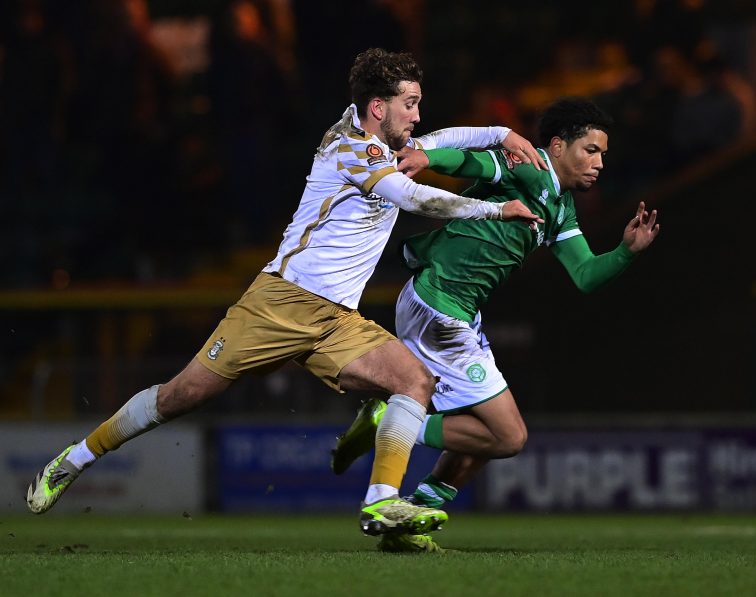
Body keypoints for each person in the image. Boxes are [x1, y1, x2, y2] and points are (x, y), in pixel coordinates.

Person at [26, 48, 546, 538]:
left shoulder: (381, 138)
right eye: (410, 105)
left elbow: (439, 140)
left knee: (415, 380)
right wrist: (495, 209)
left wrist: (500, 133)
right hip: (280, 303)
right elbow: (412, 197)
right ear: (378, 107)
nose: (416, 116)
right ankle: (73, 461)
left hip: (337, 320)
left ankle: (383, 502)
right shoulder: (352, 149)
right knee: (178, 397)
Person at [330, 97, 660, 552]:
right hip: (439, 304)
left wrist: (626, 252)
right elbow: (473, 163)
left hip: (460, 312)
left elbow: (584, 275)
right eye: (591, 150)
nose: (599, 162)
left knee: (482, 436)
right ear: (559, 146)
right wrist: (426, 158)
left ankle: (409, 522)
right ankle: (391, 418)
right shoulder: (529, 166)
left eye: (603, 153)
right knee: (508, 436)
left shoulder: (560, 208)